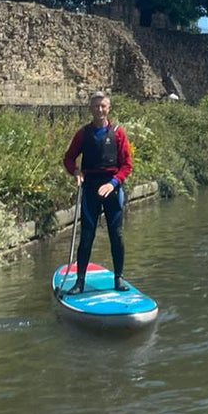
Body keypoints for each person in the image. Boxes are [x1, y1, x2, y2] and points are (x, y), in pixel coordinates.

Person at [63, 90, 133, 292]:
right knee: (86, 236)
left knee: (116, 235)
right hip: (91, 187)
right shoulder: (83, 134)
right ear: (91, 109)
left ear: (108, 108)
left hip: (112, 188)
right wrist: (75, 171)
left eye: (103, 106)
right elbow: (68, 158)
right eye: (96, 106)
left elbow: (127, 165)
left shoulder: (118, 133)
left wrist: (113, 183)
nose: (99, 110)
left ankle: (118, 279)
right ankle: (80, 281)